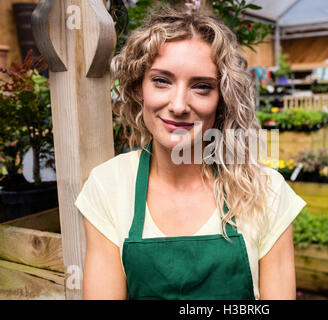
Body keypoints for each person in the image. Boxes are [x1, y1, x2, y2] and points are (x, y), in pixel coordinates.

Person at [75, 4, 306, 300]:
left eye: (201, 87)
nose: (179, 105)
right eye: (161, 81)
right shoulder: (108, 186)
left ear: (222, 99)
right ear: (137, 88)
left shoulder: (265, 192)